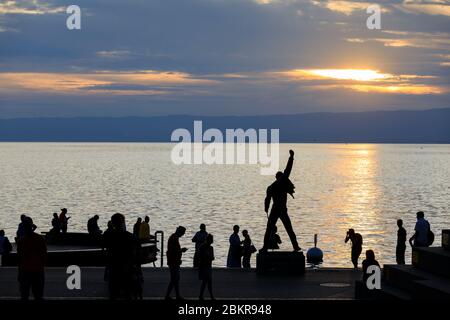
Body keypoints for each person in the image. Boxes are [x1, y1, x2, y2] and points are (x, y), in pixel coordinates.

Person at [262, 150, 301, 252]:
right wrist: (291, 157)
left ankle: (295, 246)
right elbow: (288, 170)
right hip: (279, 210)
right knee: (286, 229)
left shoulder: (271, 187)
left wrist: (266, 208)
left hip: (278, 210)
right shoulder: (274, 186)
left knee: (273, 229)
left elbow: (267, 200)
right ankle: (295, 246)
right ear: (279, 178)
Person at [103, 213, 141, 300]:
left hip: (114, 269)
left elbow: (105, 249)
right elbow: (136, 254)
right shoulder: (130, 237)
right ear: (123, 222)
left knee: (113, 294)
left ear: (112, 223)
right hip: (127, 270)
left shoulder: (108, 236)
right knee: (128, 294)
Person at [16, 217, 47, 300]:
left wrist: (19, 272)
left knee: (24, 295)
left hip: (25, 270)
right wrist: (42, 267)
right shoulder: (40, 238)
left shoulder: (21, 241)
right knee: (38, 295)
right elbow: (44, 254)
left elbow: (19, 258)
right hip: (37, 270)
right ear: (32, 226)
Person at [165, 226, 187, 300]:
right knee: (174, 278)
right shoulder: (174, 238)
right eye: (182, 233)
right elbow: (173, 251)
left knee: (175, 279)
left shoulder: (174, 237)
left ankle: (176, 295)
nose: (182, 235)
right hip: (173, 262)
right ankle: (169, 295)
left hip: (174, 261)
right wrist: (181, 250)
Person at [198, 234, 215, 300]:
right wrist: (209, 257)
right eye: (210, 240)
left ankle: (206, 296)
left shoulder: (211, 248)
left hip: (208, 266)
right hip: (204, 266)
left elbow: (212, 257)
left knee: (208, 282)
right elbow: (201, 257)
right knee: (205, 281)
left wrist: (209, 258)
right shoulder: (202, 247)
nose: (211, 241)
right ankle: (209, 296)